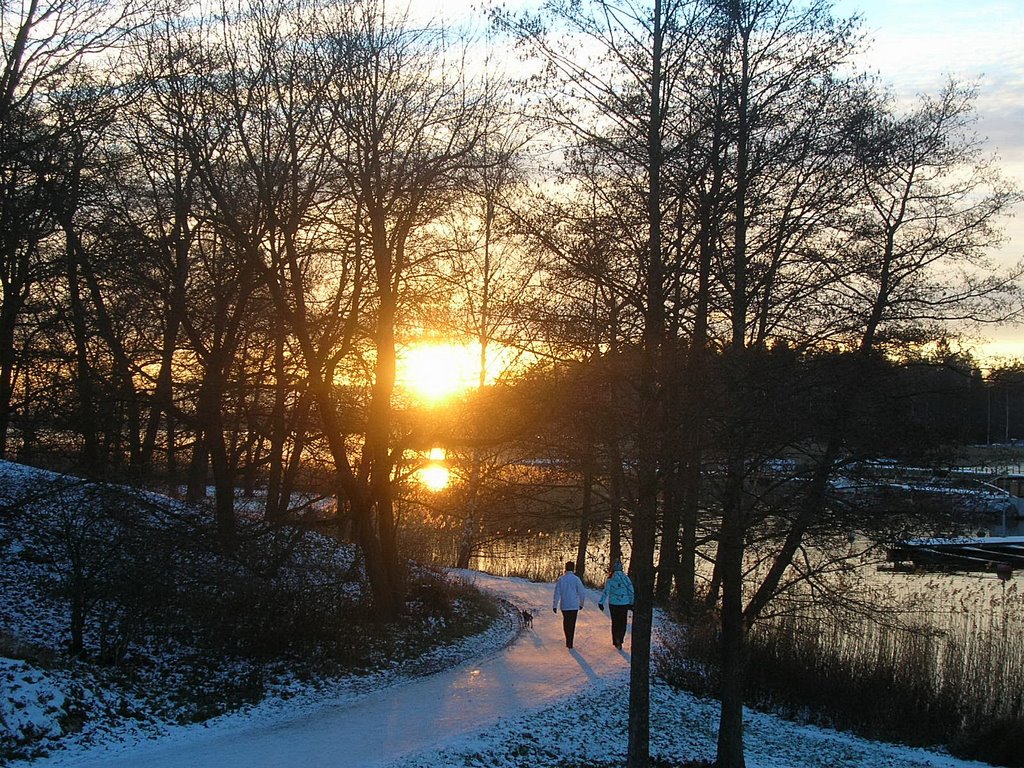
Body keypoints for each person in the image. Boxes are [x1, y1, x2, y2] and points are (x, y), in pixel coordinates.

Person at [598, 560, 634, 649]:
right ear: (621, 568)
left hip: (613, 604)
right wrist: (631, 602)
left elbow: (606, 592)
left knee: (615, 622)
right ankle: (620, 639)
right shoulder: (626, 578)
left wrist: (601, 602)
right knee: (623, 622)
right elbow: (631, 591)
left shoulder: (610, 579)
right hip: (624, 603)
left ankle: (615, 640)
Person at [552, 560, 586, 649]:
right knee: (572, 623)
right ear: (573, 568)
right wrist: (581, 603)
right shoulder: (576, 579)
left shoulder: (561, 579)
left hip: (565, 606)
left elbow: (557, 593)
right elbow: (582, 593)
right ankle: (570, 641)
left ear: (565, 568)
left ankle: (568, 639)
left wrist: (555, 605)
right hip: (574, 605)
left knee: (566, 622)